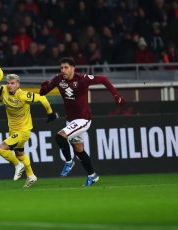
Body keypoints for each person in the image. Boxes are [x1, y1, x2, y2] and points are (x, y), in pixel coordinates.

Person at [39, 57, 125, 186]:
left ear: (73, 68)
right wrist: (44, 87)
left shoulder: (82, 79)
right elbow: (43, 93)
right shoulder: (58, 79)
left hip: (83, 119)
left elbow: (103, 79)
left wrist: (116, 95)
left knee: (60, 136)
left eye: (66, 67)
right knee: (79, 150)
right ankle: (92, 175)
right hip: (70, 120)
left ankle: (69, 161)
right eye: (61, 67)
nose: (63, 70)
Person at [0, 74, 57, 188]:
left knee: (0, 149)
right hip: (13, 130)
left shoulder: (23, 95)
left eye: (12, 83)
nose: (10, 85)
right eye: (8, 83)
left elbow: (42, 98)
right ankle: (31, 176)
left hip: (24, 130)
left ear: (18, 84)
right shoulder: (3, 90)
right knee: (20, 153)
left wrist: (50, 112)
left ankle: (18, 165)